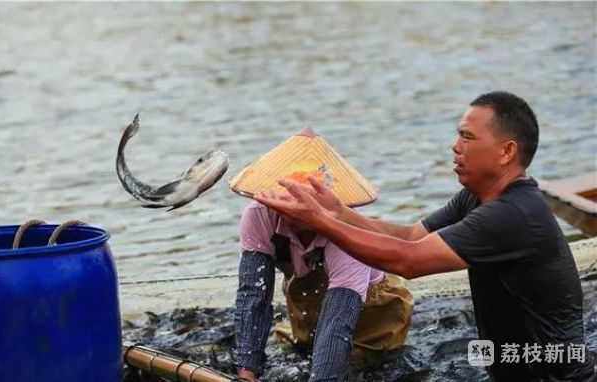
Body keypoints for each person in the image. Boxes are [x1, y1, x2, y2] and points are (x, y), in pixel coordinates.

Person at [255, 91, 595, 381]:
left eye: (467, 137)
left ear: (507, 152)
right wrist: (337, 212)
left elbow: (408, 261)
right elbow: (411, 236)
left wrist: (318, 220)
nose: (455, 146)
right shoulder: (478, 197)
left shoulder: (511, 215)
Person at [229, 128, 414, 381]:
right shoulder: (259, 215)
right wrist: (247, 371)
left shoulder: (345, 231)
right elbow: (253, 293)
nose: (295, 210)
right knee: (297, 358)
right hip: (309, 303)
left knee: (366, 368)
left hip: (372, 307)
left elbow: (338, 319)